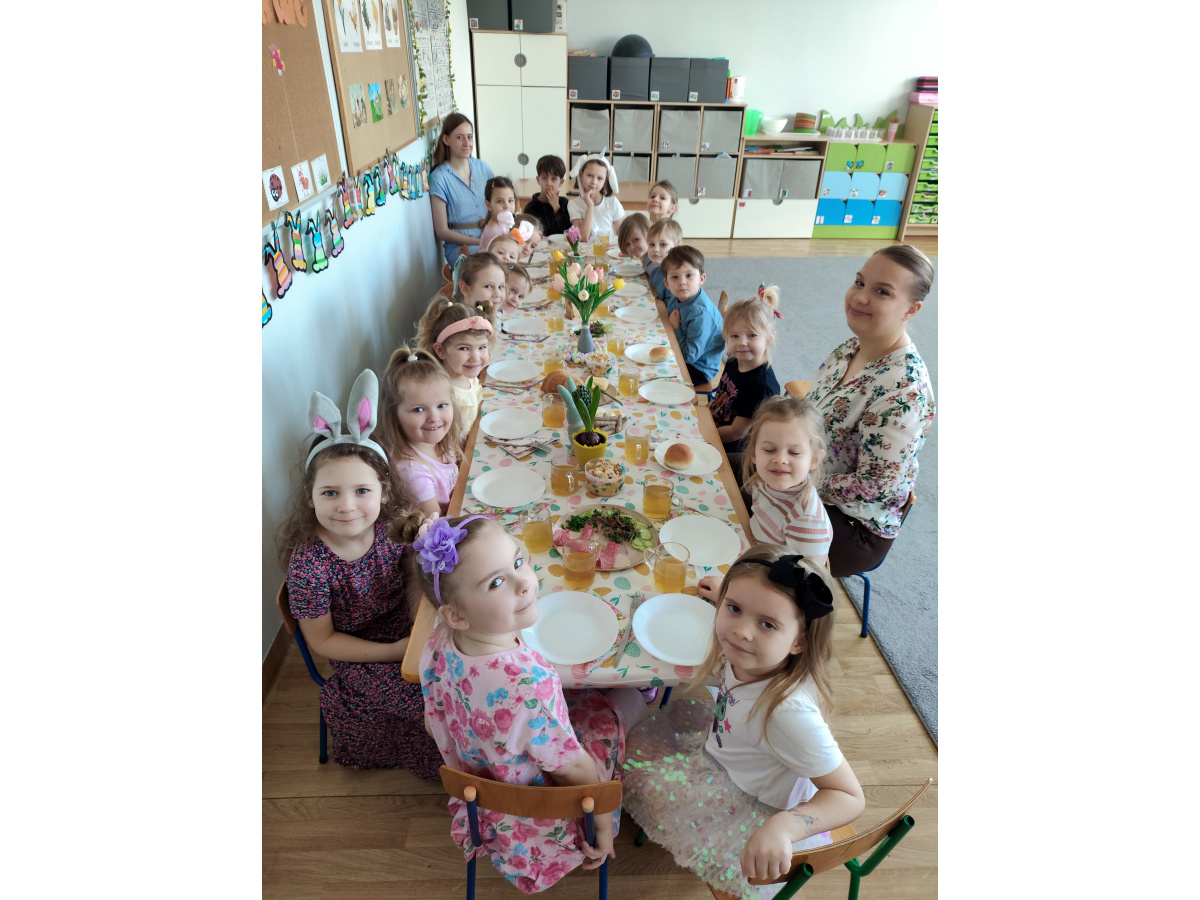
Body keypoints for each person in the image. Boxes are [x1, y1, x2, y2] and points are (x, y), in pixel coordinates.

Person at [414, 516, 656, 893]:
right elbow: (575, 770)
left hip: (482, 795)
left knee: (567, 705)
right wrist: (602, 827)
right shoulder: (530, 685)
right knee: (626, 700)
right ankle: (632, 706)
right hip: (540, 815)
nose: (524, 582)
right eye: (496, 583)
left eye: (517, 562)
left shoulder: (437, 640)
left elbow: (433, 722)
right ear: (457, 615)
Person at [622, 546, 865, 899]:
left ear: (799, 641)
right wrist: (732, 595)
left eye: (767, 624)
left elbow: (849, 796)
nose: (741, 631)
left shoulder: (788, 714)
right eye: (734, 609)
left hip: (748, 805)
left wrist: (784, 828)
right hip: (722, 754)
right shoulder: (752, 654)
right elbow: (753, 610)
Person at [278, 369, 442, 778]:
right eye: (330, 493)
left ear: (384, 492)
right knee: (439, 703)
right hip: (360, 654)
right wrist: (397, 651)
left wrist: (418, 618)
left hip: (408, 628)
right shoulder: (309, 567)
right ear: (310, 497)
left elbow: (418, 569)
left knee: (476, 665)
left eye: (362, 491)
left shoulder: (390, 528)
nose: (347, 506)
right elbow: (323, 641)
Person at [806, 245, 936, 577]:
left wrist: (799, 479)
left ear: (912, 309)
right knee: (722, 471)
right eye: (860, 282)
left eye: (882, 292)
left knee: (742, 524)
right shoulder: (851, 348)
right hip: (803, 477)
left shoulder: (905, 391)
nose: (860, 297)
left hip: (851, 524)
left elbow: (873, 487)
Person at [698, 397, 833, 600]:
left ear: (814, 459)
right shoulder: (765, 481)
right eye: (769, 450)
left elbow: (798, 594)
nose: (780, 459)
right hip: (753, 558)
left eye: (794, 452)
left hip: (770, 594)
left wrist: (728, 595)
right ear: (753, 453)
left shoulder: (806, 522)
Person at [378, 347, 462, 517]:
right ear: (394, 415)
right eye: (418, 409)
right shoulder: (412, 471)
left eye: (442, 405)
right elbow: (437, 526)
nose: (434, 417)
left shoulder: (443, 439)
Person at [709, 285, 783, 459]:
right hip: (715, 428)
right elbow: (721, 397)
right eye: (734, 336)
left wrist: (703, 433)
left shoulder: (760, 386)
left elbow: (736, 432)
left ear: (769, 338)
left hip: (734, 451)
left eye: (751, 335)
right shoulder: (734, 360)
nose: (742, 342)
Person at [416, 295, 497, 434]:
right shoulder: (441, 393)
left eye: (482, 347)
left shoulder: (466, 374)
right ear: (441, 350)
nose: (475, 357)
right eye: (464, 348)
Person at [428, 113, 494, 267]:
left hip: (490, 238)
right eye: (459, 137)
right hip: (460, 248)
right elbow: (442, 231)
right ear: (446, 140)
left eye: (469, 137)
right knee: (488, 267)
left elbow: (497, 203)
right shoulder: (439, 177)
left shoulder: (483, 168)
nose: (467, 143)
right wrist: (479, 242)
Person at [662, 245, 723, 386]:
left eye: (689, 275)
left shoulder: (701, 314)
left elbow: (689, 357)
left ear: (701, 279)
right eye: (675, 277)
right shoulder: (678, 297)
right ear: (667, 283)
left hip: (698, 369)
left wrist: (676, 327)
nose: (682, 282)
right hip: (682, 352)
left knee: (653, 377)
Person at [567, 154, 625, 241]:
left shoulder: (613, 202)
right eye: (590, 175)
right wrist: (590, 206)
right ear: (581, 175)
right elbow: (583, 237)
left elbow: (623, 236)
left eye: (600, 178)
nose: (594, 182)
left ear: (605, 181)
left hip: (608, 248)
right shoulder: (573, 204)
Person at [524, 154, 573, 236]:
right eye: (544, 178)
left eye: (553, 179)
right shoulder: (531, 207)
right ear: (538, 180)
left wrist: (556, 207)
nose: (549, 183)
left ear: (561, 182)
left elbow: (568, 231)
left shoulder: (565, 203)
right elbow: (529, 234)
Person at [644, 217, 683, 309]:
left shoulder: (676, 279)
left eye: (663, 244)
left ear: (677, 246)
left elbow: (675, 310)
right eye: (652, 244)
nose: (655, 249)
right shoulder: (656, 271)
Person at [475, 176, 518, 255]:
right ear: (489, 205)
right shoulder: (494, 232)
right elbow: (499, 260)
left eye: (510, 200)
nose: (507, 206)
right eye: (500, 201)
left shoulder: (505, 225)